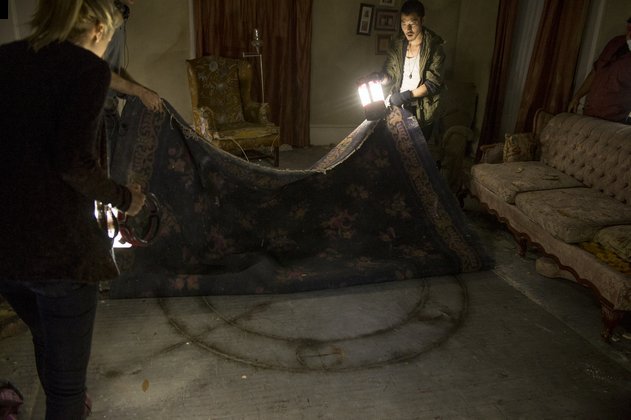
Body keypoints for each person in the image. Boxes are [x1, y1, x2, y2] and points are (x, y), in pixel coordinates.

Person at [0, 0, 145, 418]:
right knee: (66, 392)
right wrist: (126, 198)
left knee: (45, 334)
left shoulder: (6, 58)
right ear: (98, 28)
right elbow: (73, 162)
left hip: (5, 250)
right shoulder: (86, 69)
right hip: (59, 251)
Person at [365, 0, 446, 141]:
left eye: (412, 23)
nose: (407, 29)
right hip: (399, 107)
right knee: (392, 146)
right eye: (403, 23)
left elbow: (433, 84)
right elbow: (390, 73)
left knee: (418, 149)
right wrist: (380, 77)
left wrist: (405, 96)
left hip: (423, 111)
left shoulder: (434, 47)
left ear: (422, 20)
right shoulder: (397, 44)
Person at [104, 0, 163, 166]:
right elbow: (96, 71)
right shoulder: (100, 18)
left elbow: (113, 69)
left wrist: (142, 91)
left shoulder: (118, 16)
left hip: (109, 108)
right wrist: (139, 92)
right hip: (95, 113)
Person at [568, 17, 631, 124]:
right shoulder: (615, 42)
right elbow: (596, 71)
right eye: (629, 28)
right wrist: (577, 96)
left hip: (613, 121)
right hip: (589, 113)